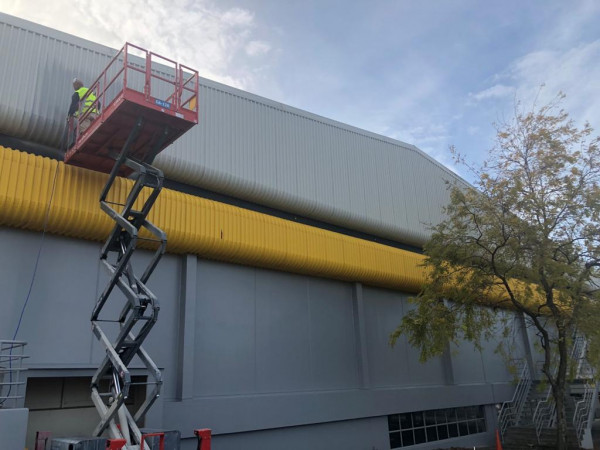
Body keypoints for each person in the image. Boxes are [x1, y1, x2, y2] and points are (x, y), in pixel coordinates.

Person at [67, 78, 98, 147]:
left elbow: (73, 106)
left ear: (75, 87)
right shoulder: (90, 91)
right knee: (93, 130)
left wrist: (69, 115)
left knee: (84, 132)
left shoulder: (78, 93)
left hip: (86, 115)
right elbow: (99, 104)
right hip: (95, 114)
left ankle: (85, 145)